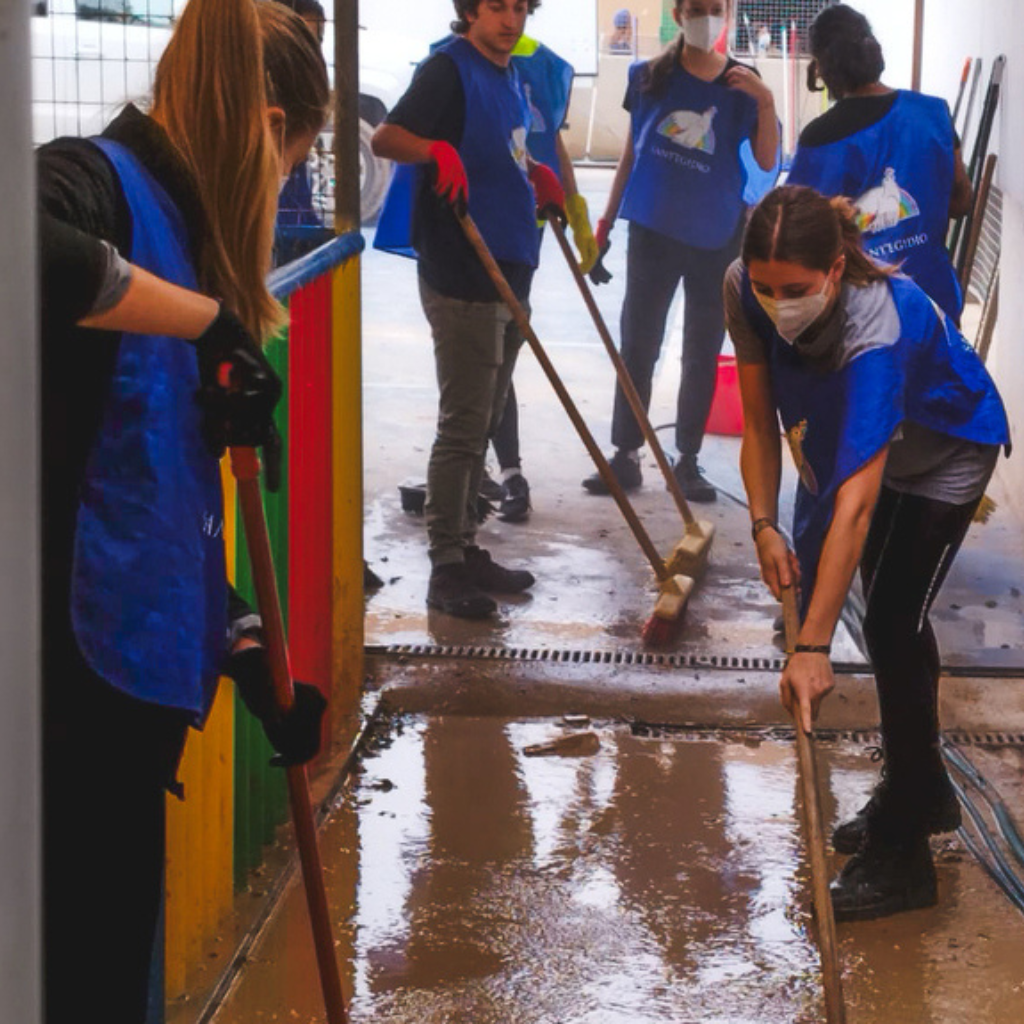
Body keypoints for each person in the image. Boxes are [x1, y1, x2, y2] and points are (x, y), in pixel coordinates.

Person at [37, 2, 331, 1020]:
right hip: (59, 717)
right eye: (292, 157)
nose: (286, 185)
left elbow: (163, 501)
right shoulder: (94, 186)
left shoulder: (181, 231)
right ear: (264, 126)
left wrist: (244, 641)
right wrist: (206, 321)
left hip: (124, 716)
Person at [725, 185, 1009, 921]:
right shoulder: (742, 290)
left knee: (886, 621)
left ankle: (906, 861)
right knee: (892, 622)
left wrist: (812, 645)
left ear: (836, 267)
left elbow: (854, 499)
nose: (777, 303)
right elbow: (759, 427)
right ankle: (920, 791)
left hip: (945, 454)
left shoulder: (873, 321)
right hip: (877, 453)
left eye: (795, 290)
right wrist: (763, 525)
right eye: (765, 286)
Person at [371, 0, 565, 619]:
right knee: (462, 425)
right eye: (497, 6)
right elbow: (385, 136)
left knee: (482, 421)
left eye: (519, 7)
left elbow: (499, 148)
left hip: (510, 265)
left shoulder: (506, 73)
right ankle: (446, 566)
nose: (511, 19)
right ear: (470, 9)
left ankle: (468, 545)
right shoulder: (447, 68)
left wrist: (534, 171)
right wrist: (434, 151)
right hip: (462, 272)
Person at [583, 0, 779, 503]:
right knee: (639, 342)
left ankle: (687, 458)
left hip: (716, 236)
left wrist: (765, 102)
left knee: (702, 350)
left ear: (727, 13)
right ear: (678, 11)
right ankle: (625, 455)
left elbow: (767, 161)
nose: (705, 16)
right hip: (653, 229)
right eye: (696, 7)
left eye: (714, 8)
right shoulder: (648, 76)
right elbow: (632, 154)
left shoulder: (743, 83)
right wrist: (604, 226)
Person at [786, 4, 971, 325]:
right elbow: (961, 201)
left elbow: (797, 234)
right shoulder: (933, 114)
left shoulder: (821, 139)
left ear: (823, 66)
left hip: (860, 314)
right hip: (933, 300)